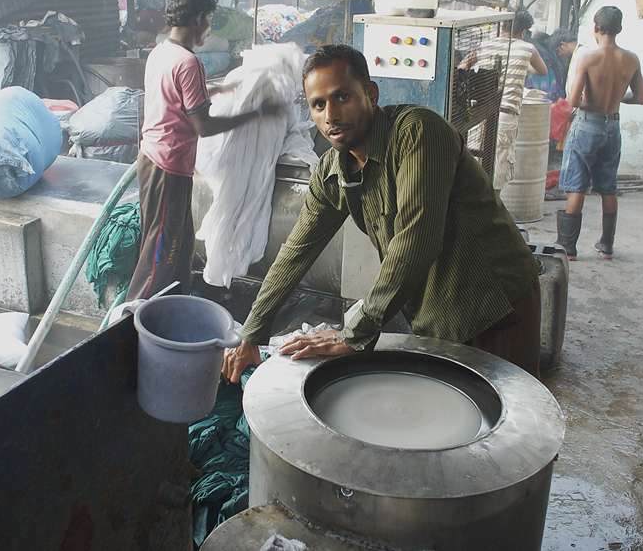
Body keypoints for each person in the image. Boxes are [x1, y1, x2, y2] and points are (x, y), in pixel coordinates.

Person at [221, 44, 542, 383]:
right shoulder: (332, 171)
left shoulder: (418, 134)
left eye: (342, 97)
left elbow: (417, 242)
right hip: (435, 313)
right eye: (318, 105)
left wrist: (353, 333)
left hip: (495, 301)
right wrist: (252, 334)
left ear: (370, 94)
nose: (330, 115)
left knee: (508, 420)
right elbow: (295, 254)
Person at [126, 0, 280, 300]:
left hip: (155, 160)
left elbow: (174, 98)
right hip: (168, 167)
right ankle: (135, 314)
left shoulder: (161, 53)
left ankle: (177, 307)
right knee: (161, 250)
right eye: (209, 20)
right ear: (198, 18)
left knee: (177, 248)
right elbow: (204, 125)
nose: (208, 29)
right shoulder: (189, 62)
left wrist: (216, 90)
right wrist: (258, 114)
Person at [556, 6, 643, 261]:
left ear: (596, 28)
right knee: (608, 187)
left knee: (577, 185)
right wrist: (617, 97)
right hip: (613, 127)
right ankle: (607, 245)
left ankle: (567, 247)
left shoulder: (588, 57)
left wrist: (589, 101)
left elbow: (573, 101)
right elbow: (640, 97)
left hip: (588, 125)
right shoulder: (631, 59)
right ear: (619, 29)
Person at [464, 9, 547, 195]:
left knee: (474, 166)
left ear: (502, 25)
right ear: (524, 32)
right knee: (497, 169)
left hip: (478, 114)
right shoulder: (527, 48)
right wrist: (523, 64)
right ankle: (490, 216)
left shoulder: (485, 44)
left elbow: (463, 66)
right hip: (505, 115)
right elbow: (543, 71)